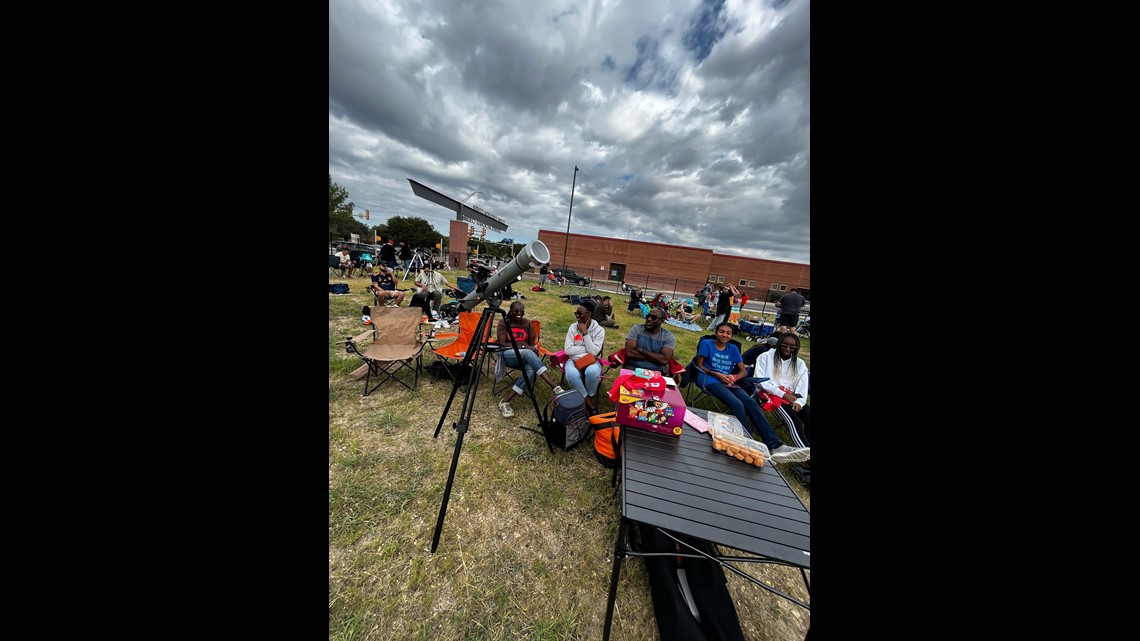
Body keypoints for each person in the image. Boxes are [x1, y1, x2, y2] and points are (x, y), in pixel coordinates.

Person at [694, 323, 807, 458]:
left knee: (750, 402)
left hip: (728, 381)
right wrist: (716, 374)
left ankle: (774, 444)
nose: (724, 335)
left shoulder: (733, 348)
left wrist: (735, 377)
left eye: (728, 333)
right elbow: (698, 364)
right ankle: (747, 441)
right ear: (716, 332)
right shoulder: (707, 344)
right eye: (721, 332)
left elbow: (743, 371)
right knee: (737, 404)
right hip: (709, 378)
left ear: (732, 335)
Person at [753, 332, 811, 477]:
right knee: (794, 421)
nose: (787, 349)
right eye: (784, 345)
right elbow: (760, 381)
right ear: (778, 344)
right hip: (771, 394)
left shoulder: (799, 363)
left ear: (797, 348)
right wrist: (782, 394)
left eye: (792, 347)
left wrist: (799, 402)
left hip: (792, 396)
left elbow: (802, 386)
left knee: (808, 417)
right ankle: (806, 456)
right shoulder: (765, 357)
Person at [496, 301, 563, 418]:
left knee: (530, 370)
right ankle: (554, 386)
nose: (519, 313)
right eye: (516, 311)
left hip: (525, 356)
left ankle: (505, 402)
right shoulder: (504, 322)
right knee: (527, 352)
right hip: (508, 355)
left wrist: (529, 348)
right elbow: (503, 344)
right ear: (511, 311)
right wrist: (523, 347)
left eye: (522, 311)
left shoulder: (527, 323)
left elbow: (532, 345)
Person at [563, 301, 606, 412]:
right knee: (572, 374)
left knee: (593, 372)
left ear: (589, 314)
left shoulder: (599, 330)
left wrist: (585, 333)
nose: (577, 316)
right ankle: (589, 405)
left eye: (580, 313)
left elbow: (595, 352)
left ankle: (588, 397)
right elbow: (568, 350)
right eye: (575, 313)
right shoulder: (573, 327)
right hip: (574, 360)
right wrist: (587, 350)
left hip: (591, 361)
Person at [623, 309, 676, 375]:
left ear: (661, 321)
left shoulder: (668, 337)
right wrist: (655, 357)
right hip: (634, 367)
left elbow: (664, 360)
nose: (649, 319)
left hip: (656, 371)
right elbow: (629, 352)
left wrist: (642, 350)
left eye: (653, 317)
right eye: (648, 316)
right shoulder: (636, 329)